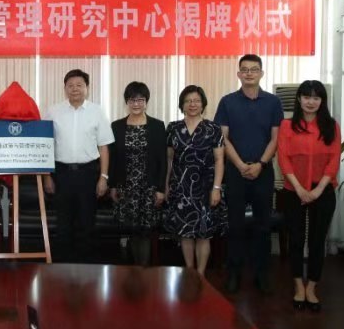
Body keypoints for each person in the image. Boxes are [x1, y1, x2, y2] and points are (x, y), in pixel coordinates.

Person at [214, 54, 283, 293]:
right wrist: (241, 165)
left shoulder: (273, 102)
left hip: (263, 172)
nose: (249, 73)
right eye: (245, 69)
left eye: (254, 69)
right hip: (235, 173)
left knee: (263, 226)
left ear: (261, 73)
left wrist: (260, 164)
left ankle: (261, 274)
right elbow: (223, 138)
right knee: (235, 225)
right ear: (239, 74)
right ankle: (234, 272)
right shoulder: (227, 102)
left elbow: (275, 139)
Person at [277, 81, 341, 312]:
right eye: (306, 97)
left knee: (317, 241)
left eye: (316, 97)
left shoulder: (331, 126)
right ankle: (298, 286)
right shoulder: (287, 125)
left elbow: (334, 160)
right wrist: (300, 189)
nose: (311, 102)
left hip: (322, 190)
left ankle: (312, 287)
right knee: (296, 239)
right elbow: (283, 158)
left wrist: (317, 190)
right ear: (299, 99)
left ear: (322, 101)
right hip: (293, 190)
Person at [44, 69, 114, 263]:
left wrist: (104, 177)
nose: (75, 89)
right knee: (63, 223)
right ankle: (63, 267)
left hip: (88, 173)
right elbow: (45, 145)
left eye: (79, 85)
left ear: (87, 88)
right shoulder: (53, 112)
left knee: (87, 222)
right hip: (61, 174)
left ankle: (86, 267)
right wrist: (47, 176)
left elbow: (104, 147)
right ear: (65, 88)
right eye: (70, 85)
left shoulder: (97, 111)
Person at [165, 85, 226, 277]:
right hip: (180, 187)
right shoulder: (173, 128)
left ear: (203, 104)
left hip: (206, 187)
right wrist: (166, 185)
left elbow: (219, 160)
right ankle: (190, 271)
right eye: (188, 101)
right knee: (185, 232)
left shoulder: (213, 129)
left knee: (203, 233)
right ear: (182, 104)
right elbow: (169, 160)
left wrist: (216, 188)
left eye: (197, 101)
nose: (192, 104)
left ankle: (200, 274)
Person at [107, 81, 167, 266]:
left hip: (148, 187)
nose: (136, 104)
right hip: (126, 187)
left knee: (145, 231)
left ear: (146, 102)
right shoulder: (116, 126)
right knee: (131, 230)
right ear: (126, 102)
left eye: (140, 100)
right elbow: (113, 159)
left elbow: (162, 160)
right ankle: (134, 270)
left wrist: (160, 189)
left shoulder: (157, 126)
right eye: (132, 100)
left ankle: (144, 270)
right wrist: (113, 185)